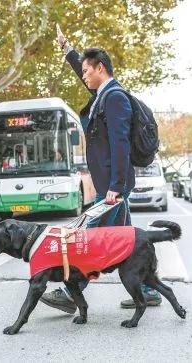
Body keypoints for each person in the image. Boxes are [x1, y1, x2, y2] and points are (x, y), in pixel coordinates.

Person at [38, 27, 162, 314]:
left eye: (85, 70)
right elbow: (85, 76)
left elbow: (120, 145)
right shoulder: (103, 96)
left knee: (90, 239)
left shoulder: (115, 97)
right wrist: (67, 49)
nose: (83, 75)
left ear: (100, 69)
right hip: (112, 184)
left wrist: (116, 188)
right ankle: (147, 288)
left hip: (112, 187)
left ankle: (72, 292)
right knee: (128, 239)